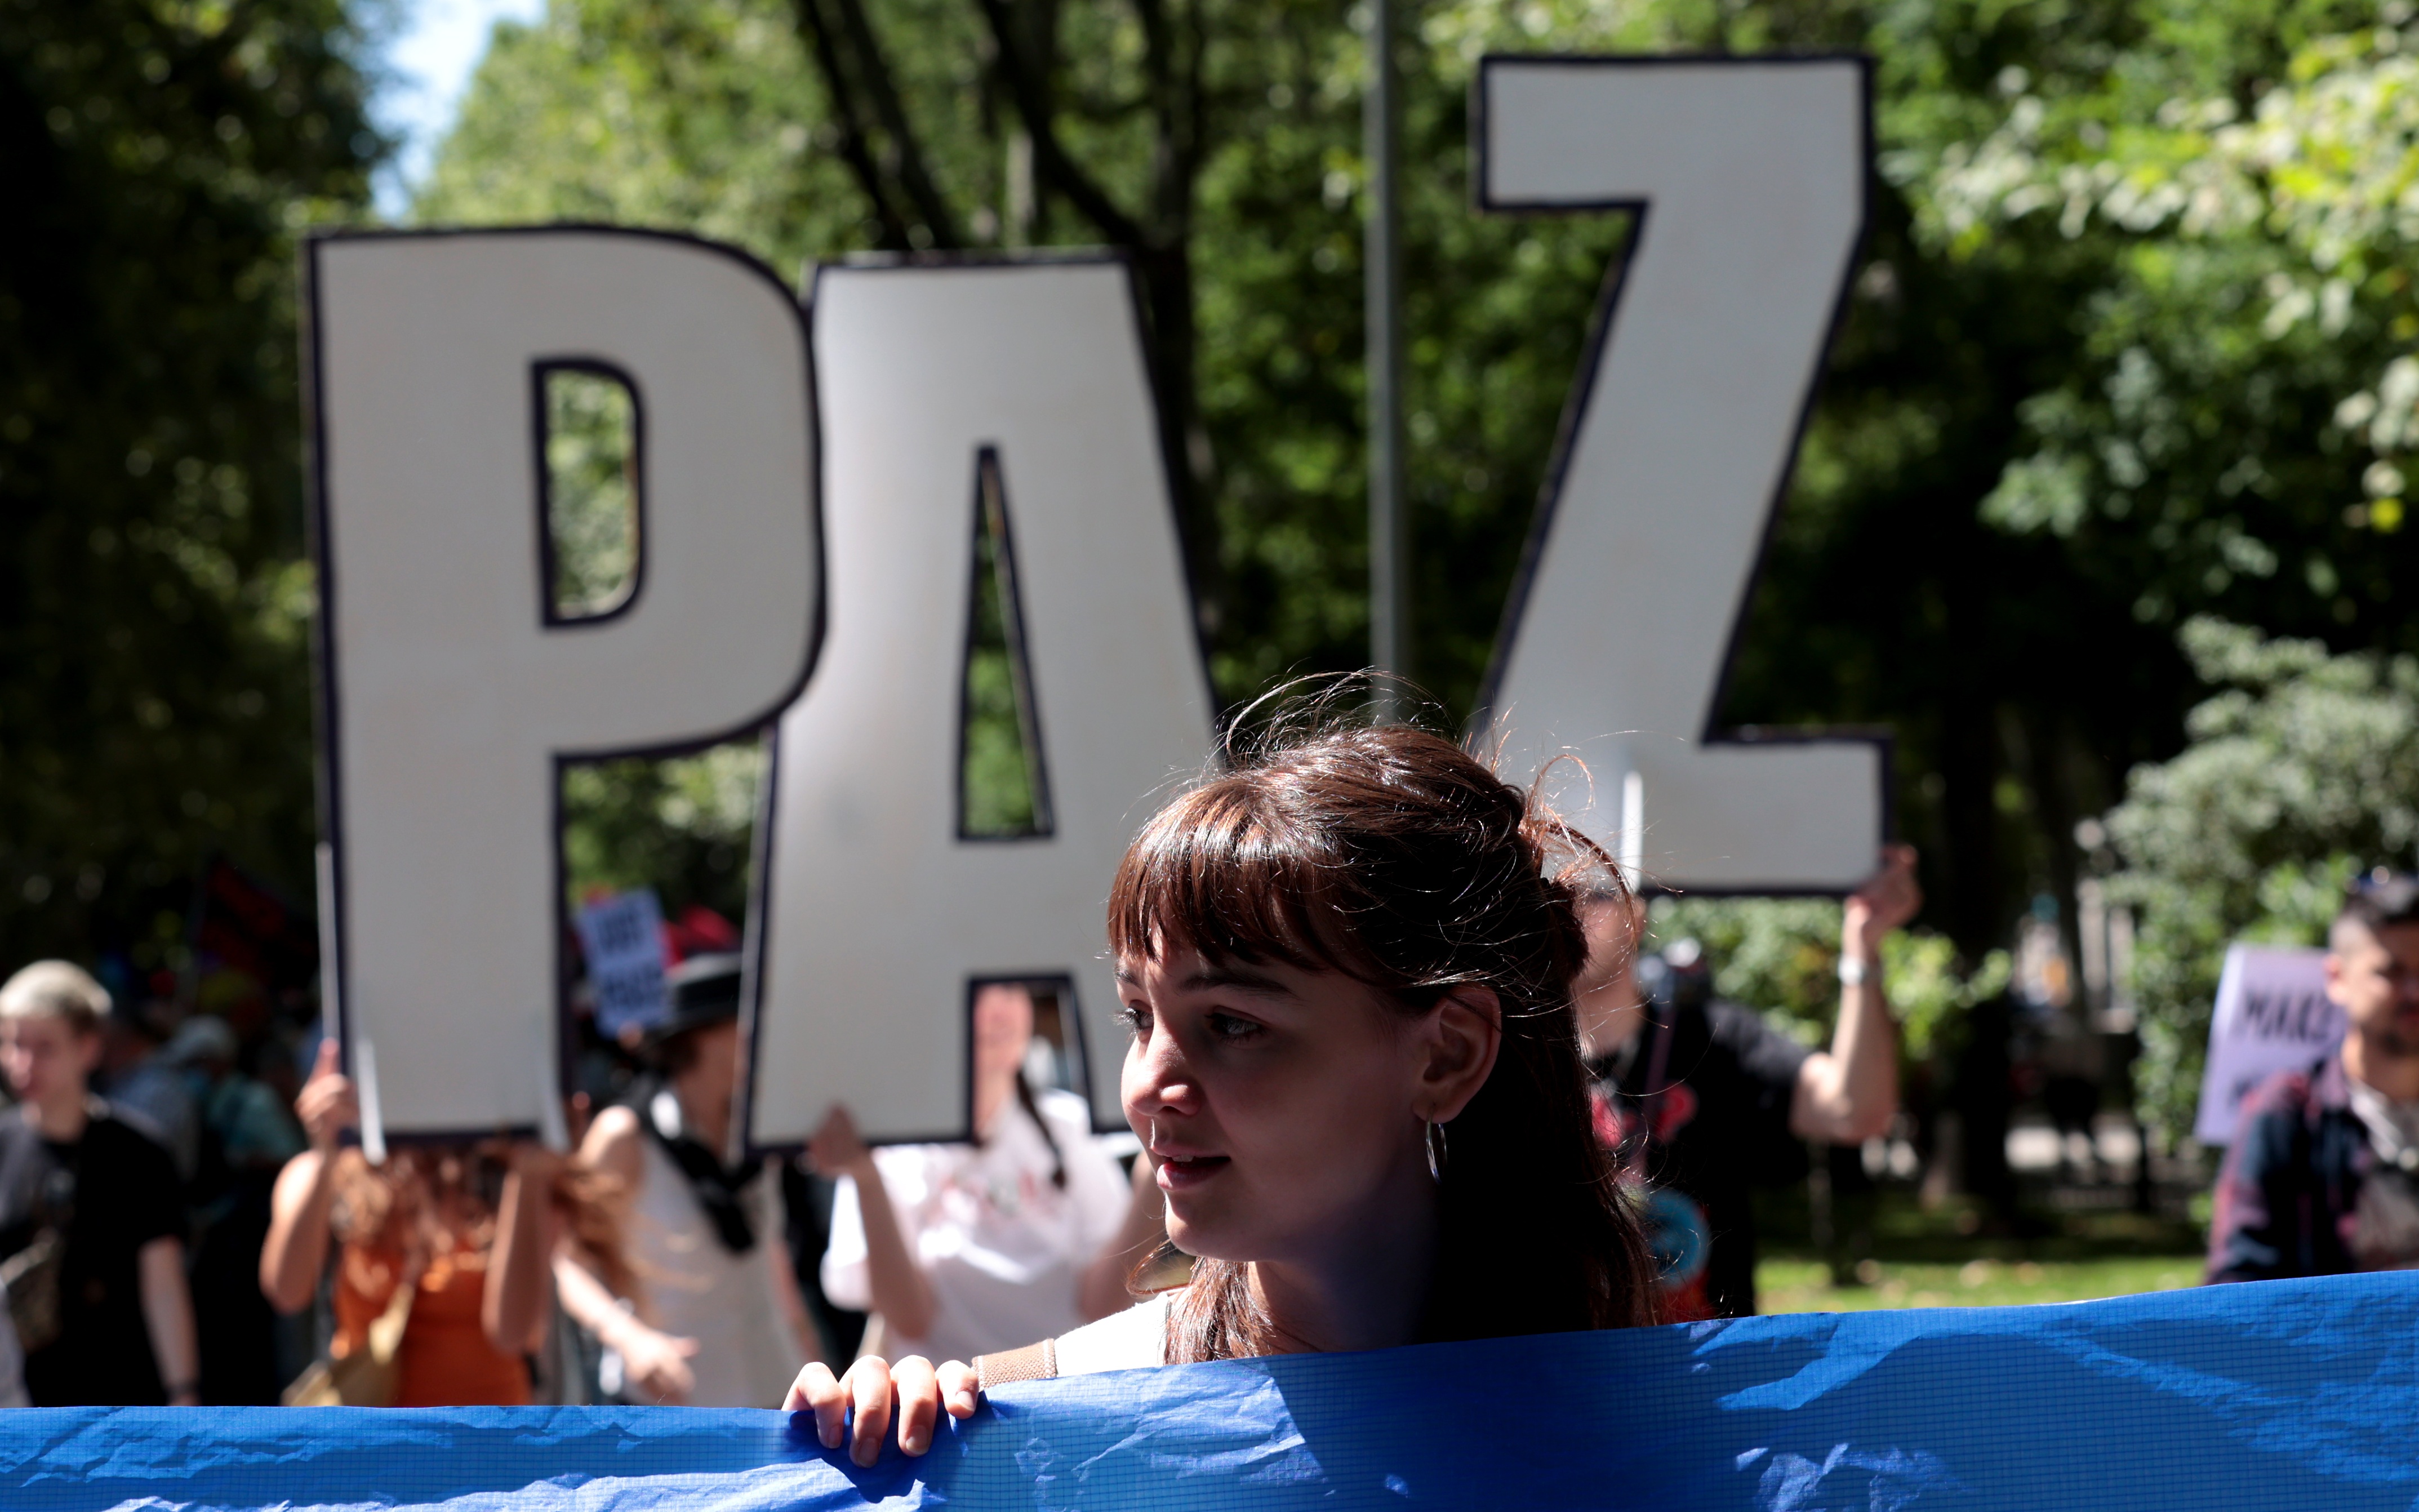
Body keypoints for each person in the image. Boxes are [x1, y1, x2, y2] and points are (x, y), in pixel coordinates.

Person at [785, 714, 1658, 1465]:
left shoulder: (1668, 1427)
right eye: (1139, 1017)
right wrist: (878, 1452)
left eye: (1233, 1024)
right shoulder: (1029, 1426)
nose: (1148, 1087)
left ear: (1446, 1055)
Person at [1568, 846, 1922, 1318]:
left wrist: (1863, 949)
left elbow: (1854, 1111)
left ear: (1637, 912)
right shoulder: (1509, 1062)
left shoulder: (1714, 1039)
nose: (1571, 910)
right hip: (1570, 1358)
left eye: (1595, 892)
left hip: (1712, 1358)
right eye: (1552, 892)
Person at [807, 981, 1159, 1366]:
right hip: (948, 1394)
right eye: (977, 992)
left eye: (1010, 988)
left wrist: (1154, 1168)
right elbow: (910, 1320)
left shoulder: (1070, 1126)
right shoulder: (888, 1146)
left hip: (1061, 1389)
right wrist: (866, 1179)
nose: (998, 1011)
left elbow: (1104, 1305)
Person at [539, 953, 822, 1406]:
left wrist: (807, 1340)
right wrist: (628, 1337)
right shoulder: (626, 1135)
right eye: (749, 1025)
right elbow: (566, 1259)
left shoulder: (758, 1128)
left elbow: (770, 1254)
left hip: (774, 1389)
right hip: (674, 1404)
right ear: (702, 1037)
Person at [259, 1039, 596, 1406]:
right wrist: (325, 1150)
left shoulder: (505, 1173)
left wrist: (528, 1175)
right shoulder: (327, 1174)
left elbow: (514, 1335)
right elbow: (287, 1293)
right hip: (369, 1433)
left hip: (485, 1433)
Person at [0, 960, 200, 1405]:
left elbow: (163, 1286)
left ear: (88, 1049)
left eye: (44, 1047)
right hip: (19, 1408)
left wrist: (183, 1395)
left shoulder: (140, 1153)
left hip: (120, 1405)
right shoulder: (4, 1145)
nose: (23, 1064)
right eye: (13, 1043)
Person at [2208, 875, 2419, 1280]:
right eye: (2391, 972)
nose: (2414, 992)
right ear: (2337, 978)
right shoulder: (2291, 1114)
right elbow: (2236, 1287)